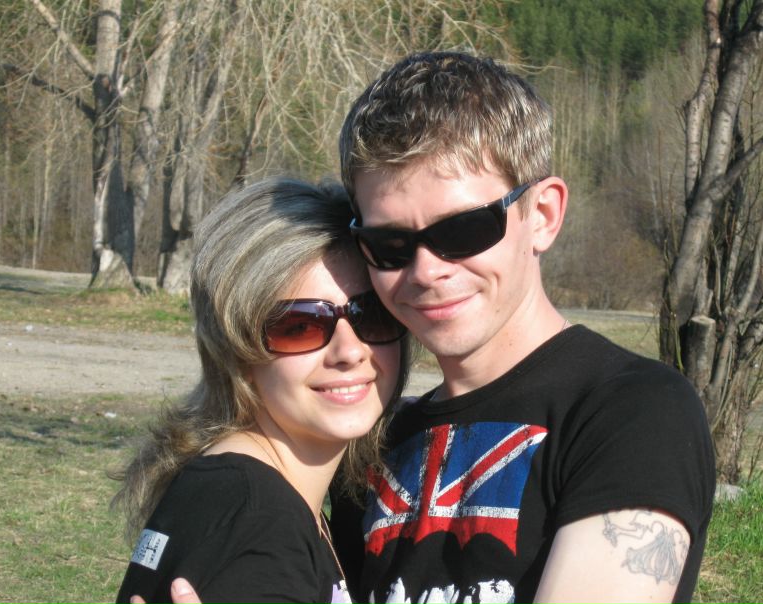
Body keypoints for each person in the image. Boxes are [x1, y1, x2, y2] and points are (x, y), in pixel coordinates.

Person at [137, 51, 715, 604]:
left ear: (542, 215)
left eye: (462, 231)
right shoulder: (372, 445)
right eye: (389, 244)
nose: (426, 271)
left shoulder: (631, 411)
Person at [113, 177, 410, 604]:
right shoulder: (257, 521)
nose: (349, 351)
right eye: (300, 325)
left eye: (373, 314)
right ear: (237, 349)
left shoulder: (243, 492)